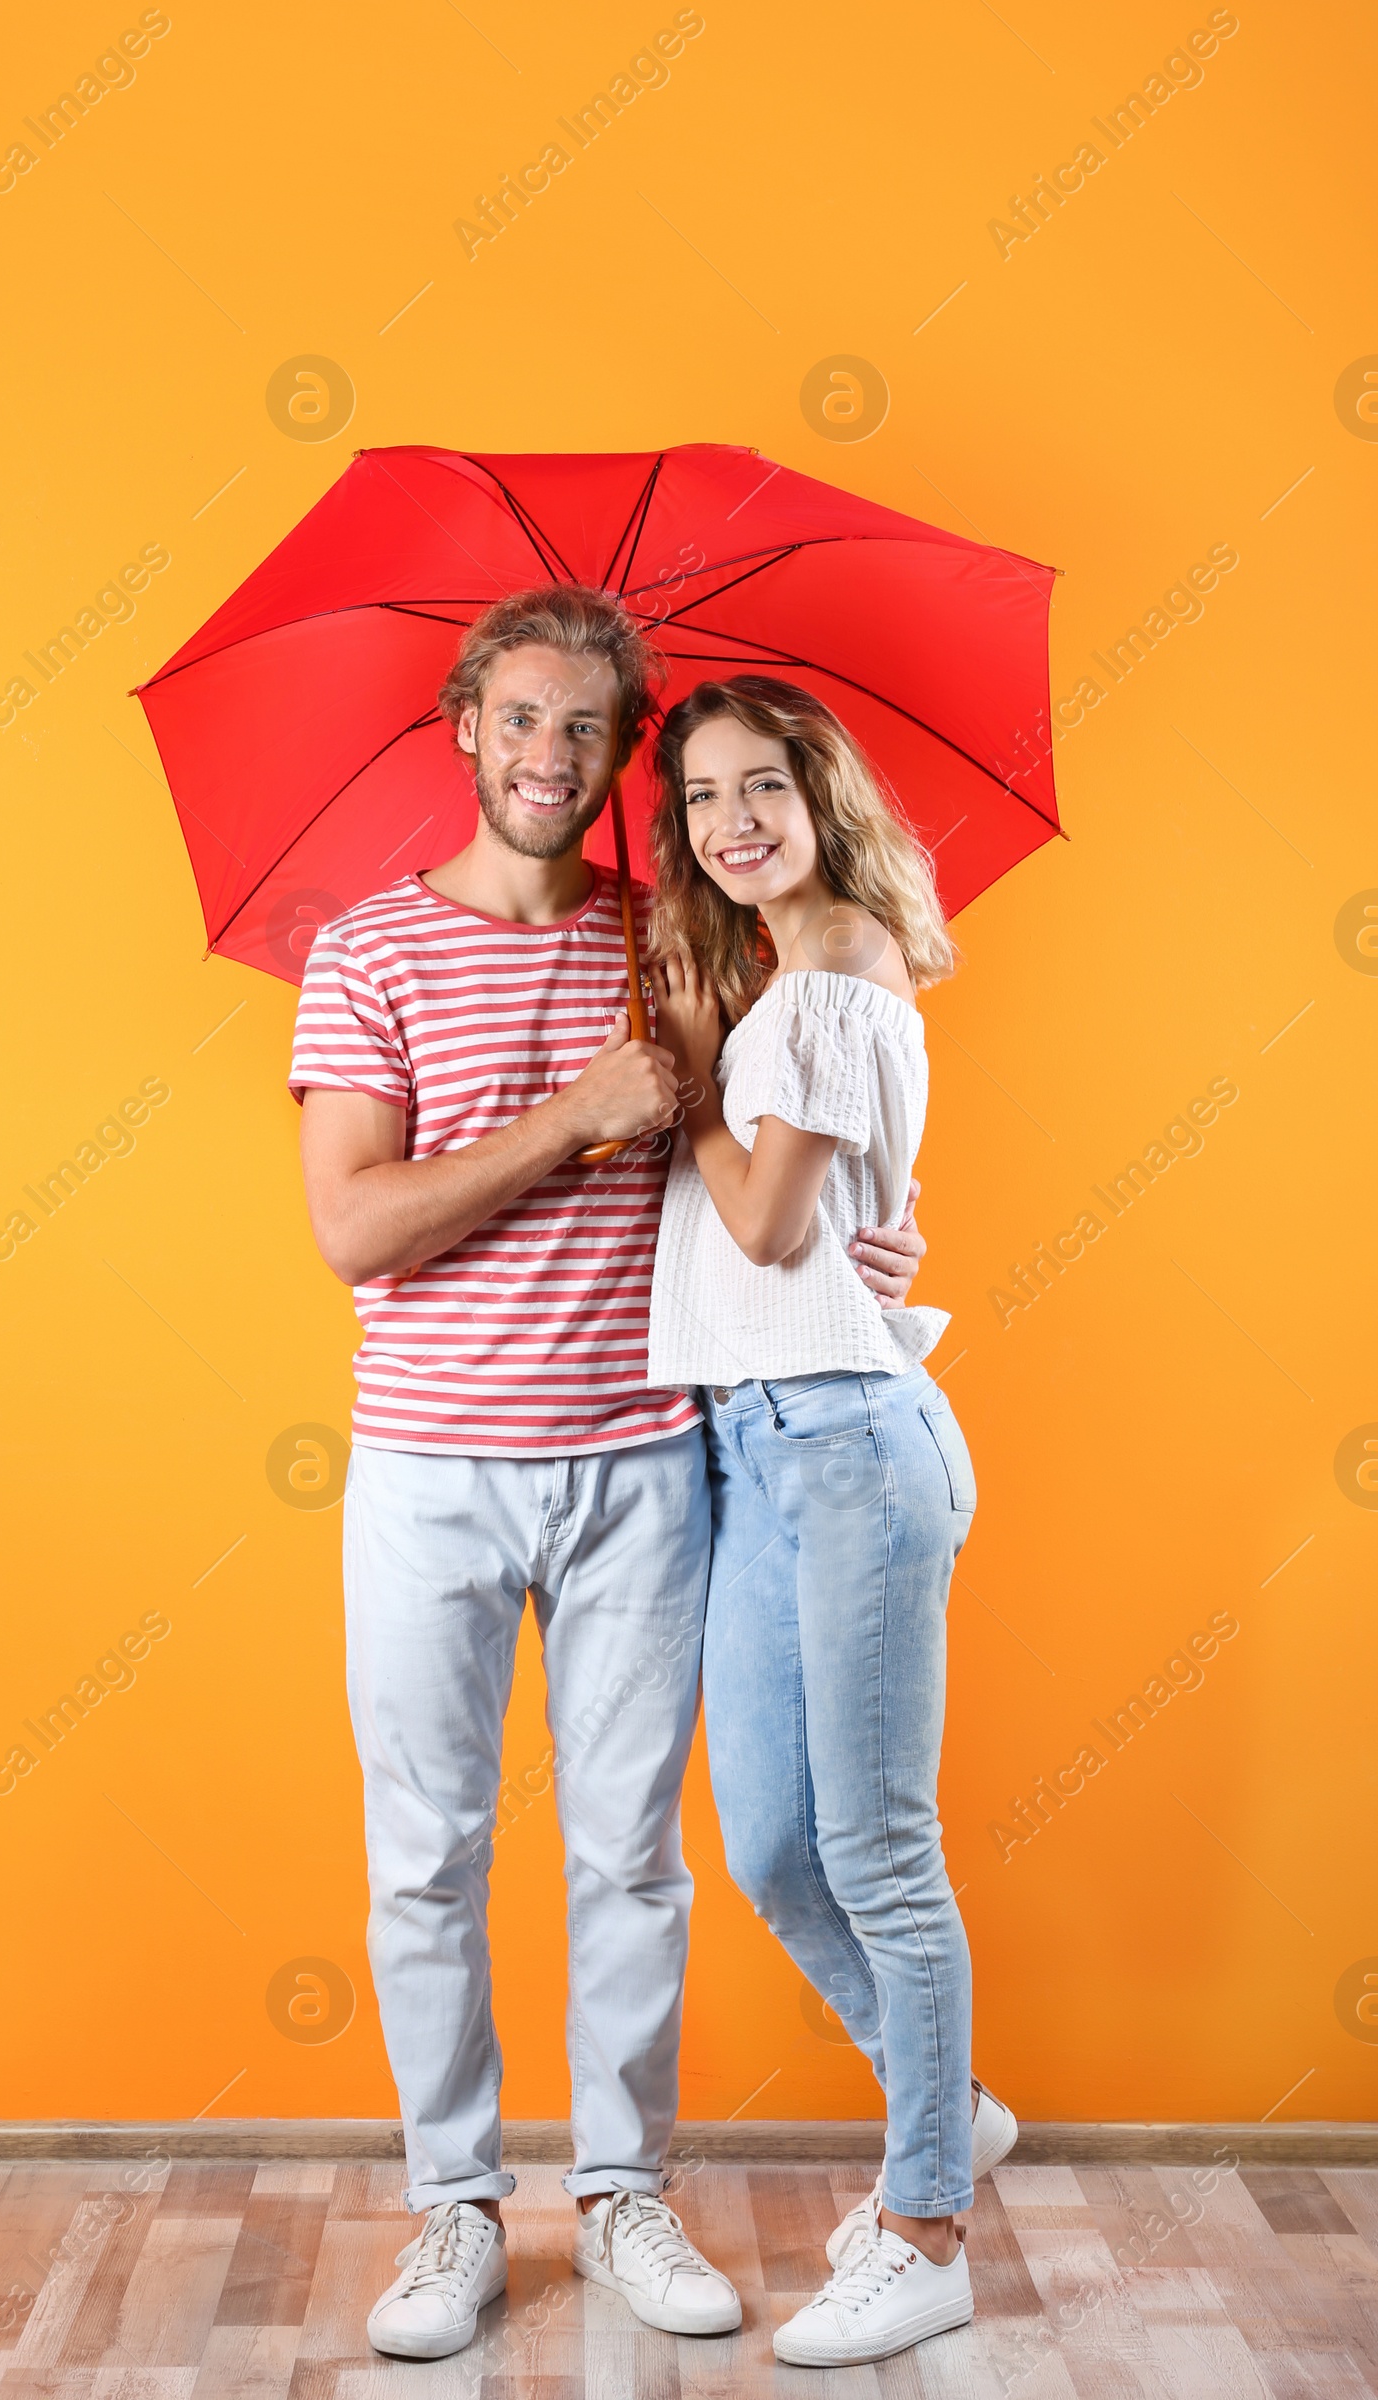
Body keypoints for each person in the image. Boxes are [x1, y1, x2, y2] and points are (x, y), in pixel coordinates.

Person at [291, 590, 927, 2360]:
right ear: (464, 725)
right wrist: (576, 1113)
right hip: (426, 1467)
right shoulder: (366, 953)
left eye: (588, 731)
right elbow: (354, 1229)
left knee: (629, 1854)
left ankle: (626, 2188)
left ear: (619, 752)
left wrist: (853, 1246)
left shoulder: (679, 940)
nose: (551, 759)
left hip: (647, 1455)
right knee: (426, 1852)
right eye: (521, 720)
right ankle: (454, 2211)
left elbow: (771, 1170)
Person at [645, 675, 1015, 2370]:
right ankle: (952, 2112)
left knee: (874, 1847)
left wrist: (688, 1089)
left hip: (854, 1447)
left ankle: (928, 2225)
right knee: (775, 1849)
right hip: (757, 1447)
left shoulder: (832, 971)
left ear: (822, 796)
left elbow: (777, 1229)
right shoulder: (788, 986)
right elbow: (838, 1223)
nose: (734, 820)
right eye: (705, 795)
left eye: (765, 786)